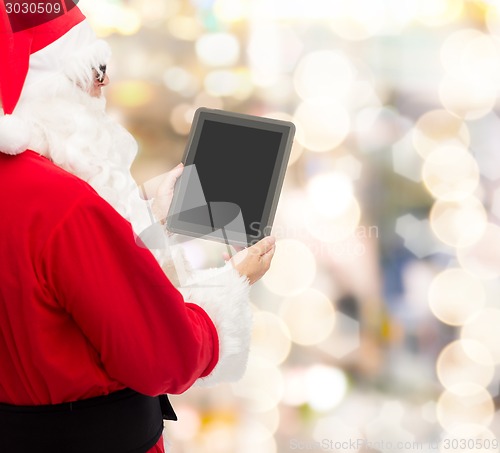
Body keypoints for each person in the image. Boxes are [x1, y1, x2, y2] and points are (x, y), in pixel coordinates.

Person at [0, 2, 275, 452]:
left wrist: (143, 211)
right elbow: (165, 357)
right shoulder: (68, 208)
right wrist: (232, 284)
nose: (102, 91)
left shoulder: (44, 194)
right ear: (52, 86)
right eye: (95, 72)